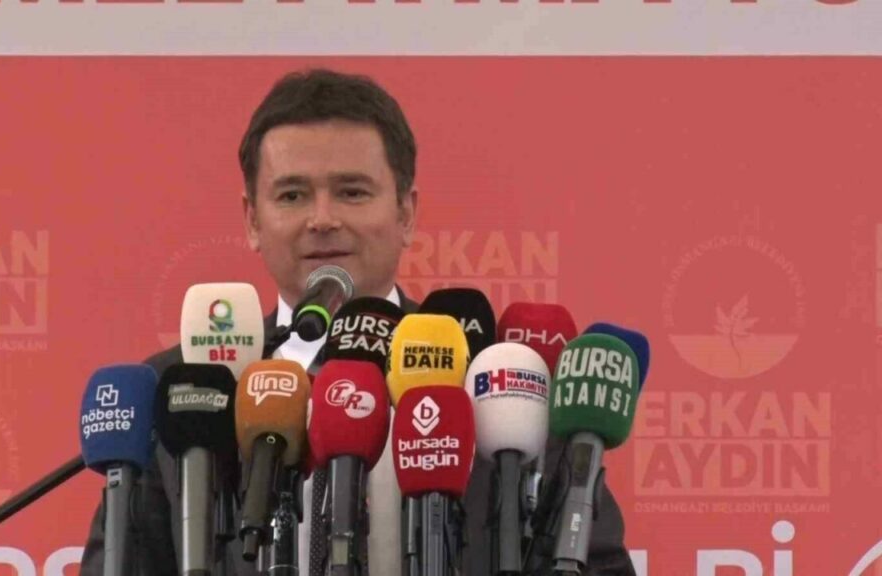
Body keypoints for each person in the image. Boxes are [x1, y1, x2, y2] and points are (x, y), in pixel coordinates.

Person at [81, 68, 635, 576]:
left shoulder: (507, 380)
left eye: (351, 192)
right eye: (292, 195)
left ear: (405, 213)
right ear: (252, 220)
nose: (322, 219)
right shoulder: (181, 389)